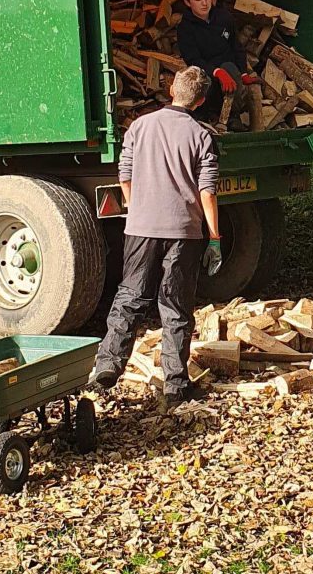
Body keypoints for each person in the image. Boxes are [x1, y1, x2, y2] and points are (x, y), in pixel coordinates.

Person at [89, 66, 224, 411]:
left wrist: (137, 208)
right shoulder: (202, 135)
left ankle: (107, 364)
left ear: (171, 91)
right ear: (201, 100)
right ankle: (176, 386)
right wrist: (214, 238)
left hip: (140, 228)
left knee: (130, 296)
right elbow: (207, 192)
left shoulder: (139, 125)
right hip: (183, 233)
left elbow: (124, 173)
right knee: (176, 307)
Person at [176, 0, 260, 123]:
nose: (204, 3)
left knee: (229, 69)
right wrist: (217, 72)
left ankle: (233, 117)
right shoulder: (185, 29)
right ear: (188, 2)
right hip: (205, 72)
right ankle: (205, 117)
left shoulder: (223, 17)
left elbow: (236, 46)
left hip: (229, 69)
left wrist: (244, 72)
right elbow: (193, 59)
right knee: (203, 82)